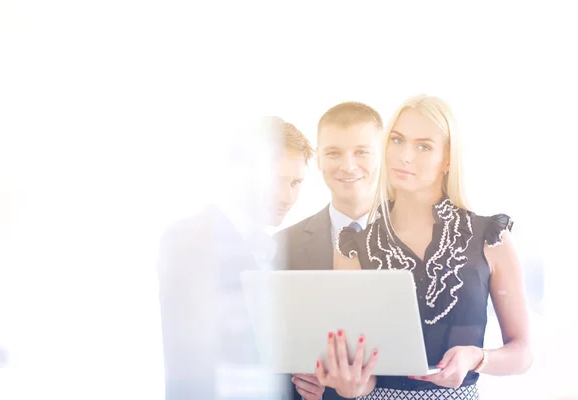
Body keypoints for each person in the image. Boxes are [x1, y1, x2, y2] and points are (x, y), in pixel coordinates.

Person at [315, 94, 532, 399]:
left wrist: (477, 357)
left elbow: (522, 353)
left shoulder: (490, 237)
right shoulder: (354, 246)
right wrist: (351, 386)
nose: (404, 156)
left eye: (423, 146)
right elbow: (363, 375)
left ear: (447, 159)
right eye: (397, 140)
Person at [157, 117, 314, 400]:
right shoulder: (190, 238)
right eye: (277, 181)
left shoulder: (272, 247)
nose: (287, 196)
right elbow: (185, 359)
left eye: (296, 182)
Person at [274, 102, 383, 400]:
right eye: (333, 153)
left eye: (361, 151)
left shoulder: (420, 240)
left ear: (383, 155)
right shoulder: (281, 248)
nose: (348, 165)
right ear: (318, 159)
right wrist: (299, 378)